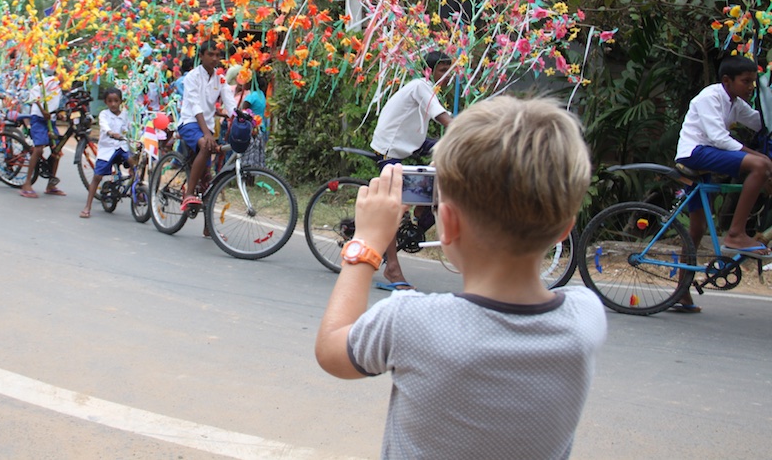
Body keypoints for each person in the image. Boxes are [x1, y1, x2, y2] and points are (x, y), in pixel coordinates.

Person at [315, 96, 606, 459]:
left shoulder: (410, 320)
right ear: (565, 230)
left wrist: (366, 244)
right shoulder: (586, 317)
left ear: (447, 223)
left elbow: (331, 350)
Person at [674, 56, 772, 311]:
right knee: (760, 166)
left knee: (696, 229)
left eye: (753, 81)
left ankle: (680, 291)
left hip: (707, 155)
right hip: (695, 153)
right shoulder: (710, 97)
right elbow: (718, 138)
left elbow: (761, 123)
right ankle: (736, 234)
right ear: (727, 81)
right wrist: (757, 156)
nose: (750, 86)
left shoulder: (735, 103)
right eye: (746, 81)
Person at [368, 51, 453, 291]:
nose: (446, 76)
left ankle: (420, 212)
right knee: (394, 208)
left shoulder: (428, 89)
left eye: (449, 70)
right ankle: (391, 267)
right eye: (441, 70)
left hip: (413, 144)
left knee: (447, 157)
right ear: (429, 71)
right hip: (391, 149)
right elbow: (444, 119)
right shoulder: (420, 86)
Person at [175, 41, 235, 211]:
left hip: (206, 127)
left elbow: (230, 103)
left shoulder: (220, 78)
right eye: (210, 54)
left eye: (218, 55)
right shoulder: (192, 76)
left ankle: (208, 228)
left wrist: (243, 120)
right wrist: (206, 134)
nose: (214, 58)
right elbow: (195, 106)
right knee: (206, 145)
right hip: (190, 123)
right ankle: (188, 194)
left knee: (208, 180)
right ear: (201, 56)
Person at [80, 87, 132, 218]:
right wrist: (110, 133)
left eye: (116, 101)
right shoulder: (104, 114)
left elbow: (130, 128)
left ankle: (137, 189)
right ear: (106, 102)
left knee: (135, 163)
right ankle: (87, 206)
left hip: (122, 147)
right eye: (110, 101)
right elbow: (104, 125)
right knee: (97, 176)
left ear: (120, 101)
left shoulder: (126, 114)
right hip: (107, 149)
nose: (113, 104)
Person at [19, 70, 65, 198]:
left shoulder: (61, 88)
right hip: (39, 118)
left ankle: (51, 184)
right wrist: (42, 110)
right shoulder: (50, 81)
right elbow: (35, 93)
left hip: (51, 120)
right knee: (38, 148)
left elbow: (56, 105)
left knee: (57, 150)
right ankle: (27, 183)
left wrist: (60, 114)